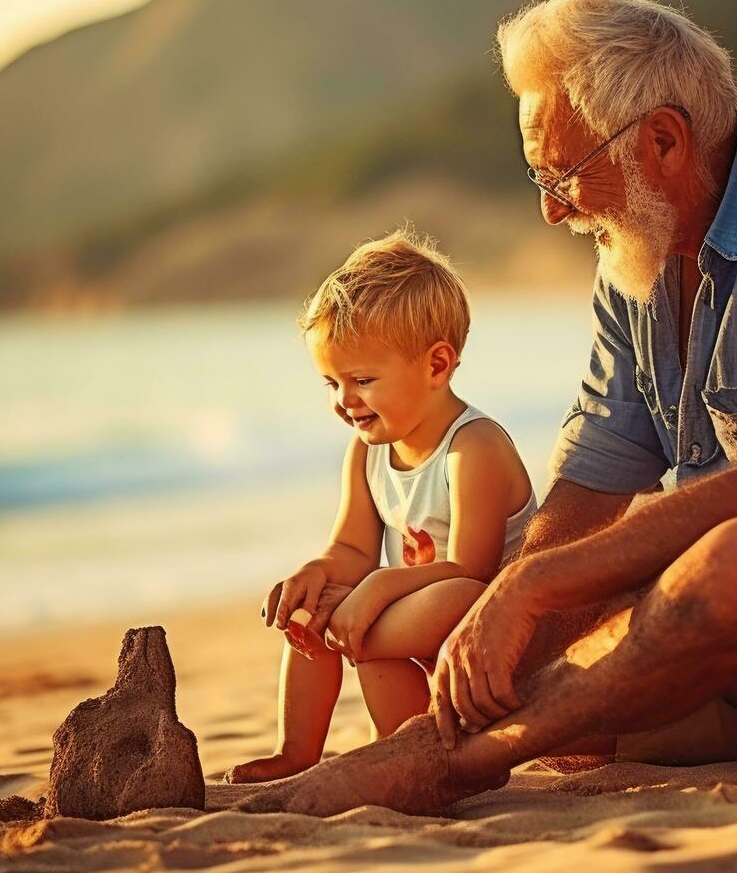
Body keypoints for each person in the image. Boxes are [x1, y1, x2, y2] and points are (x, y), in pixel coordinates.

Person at [240, 0, 737, 817]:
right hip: (733, 653)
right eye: (536, 177)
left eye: (564, 174)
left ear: (663, 141)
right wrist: (518, 601)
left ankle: (455, 763)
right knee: (548, 660)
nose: (550, 209)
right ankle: (444, 743)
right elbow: (589, 485)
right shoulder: (640, 258)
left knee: (736, 558)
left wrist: (531, 590)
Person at [226, 229, 537, 783]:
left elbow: (475, 572)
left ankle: (424, 753)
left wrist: (374, 589)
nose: (344, 401)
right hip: (412, 617)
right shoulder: (367, 454)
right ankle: (305, 751)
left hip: (488, 627)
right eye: (332, 382)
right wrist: (318, 573)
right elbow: (350, 548)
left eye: (362, 380)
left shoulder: (474, 447)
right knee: (314, 610)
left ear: (437, 366)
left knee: (375, 618)